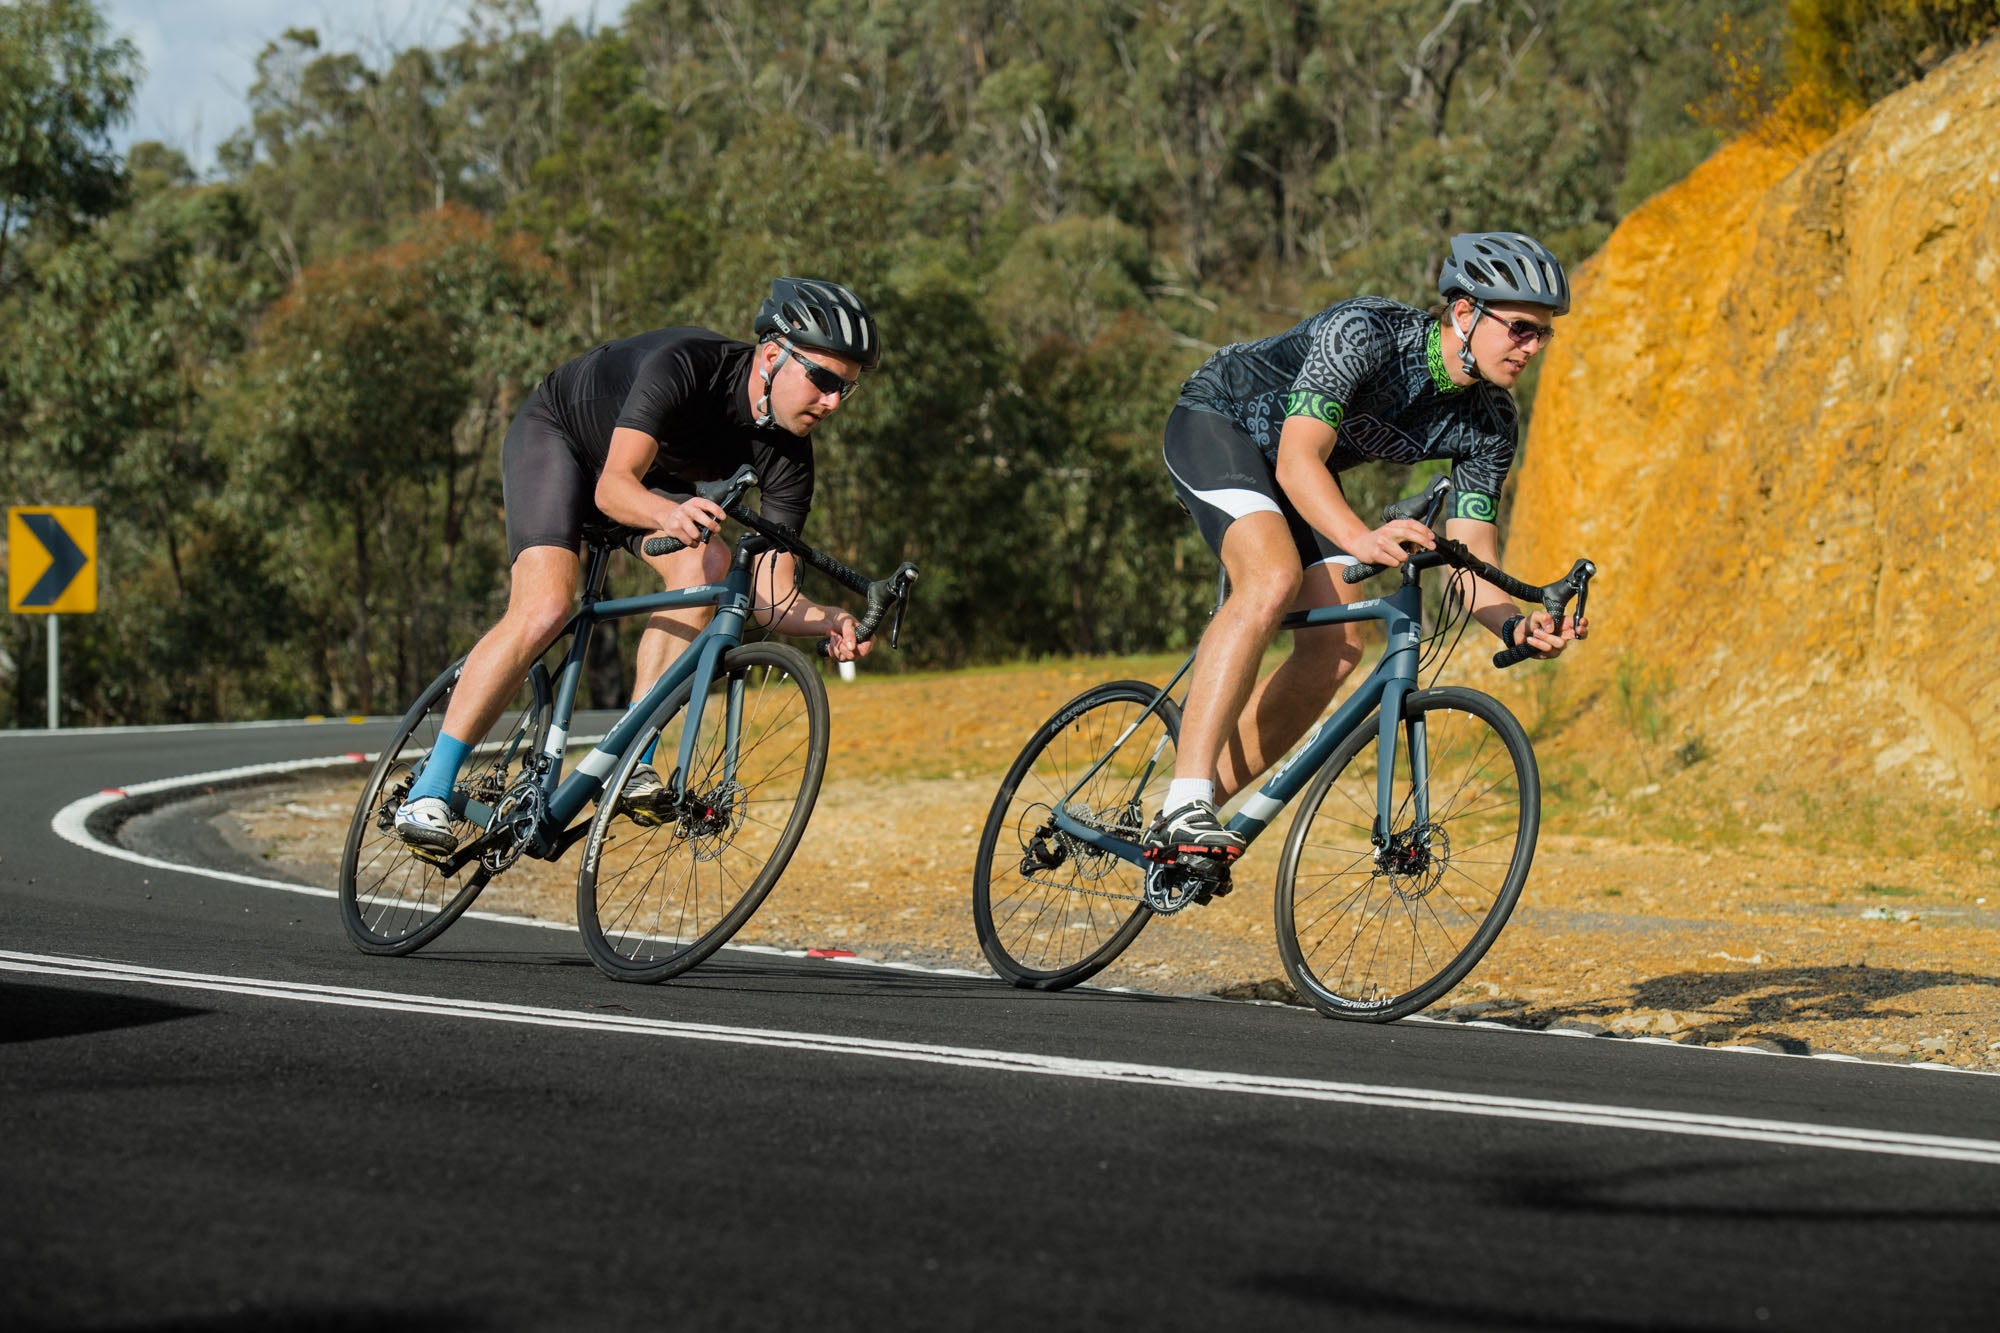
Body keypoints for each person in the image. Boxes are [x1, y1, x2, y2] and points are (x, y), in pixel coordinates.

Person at [1145, 231, 1589, 867]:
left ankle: (1189, 826)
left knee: (1337, 647)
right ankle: (1183, 798)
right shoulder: (1368, 333)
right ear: (1464, 311)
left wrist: (1513, 623)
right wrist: (1362, 537)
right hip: (1220, 423)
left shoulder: (1492, 420)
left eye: (1542, 334)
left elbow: (1470, 550)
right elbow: (1300, 459)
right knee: (1271, 578)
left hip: (1292, 474)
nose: (1532, 347)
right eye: (1519, 328)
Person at [393, 277, 881, 849]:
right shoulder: (688, 366)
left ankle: (632, 760)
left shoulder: (791, 457)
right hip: (563, 443)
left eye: (844, 391)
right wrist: (665, 515)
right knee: (547, 606)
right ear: (773, 355)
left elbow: (772, 598)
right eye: (823, 380)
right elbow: (613, 489)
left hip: (644, 482)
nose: (830, 402)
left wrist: (828, 620)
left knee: (709, 566)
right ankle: (430, 787)